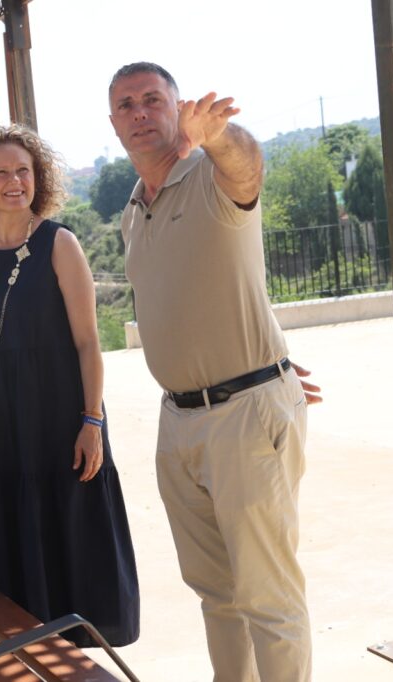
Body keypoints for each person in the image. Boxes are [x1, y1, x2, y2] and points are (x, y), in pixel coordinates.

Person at [108, 62, 321, 681]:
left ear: (178, 109)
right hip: (178, 422)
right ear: (114, 122)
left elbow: (248, 166)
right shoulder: (131, 210)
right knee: (217, 597)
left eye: (153, 99)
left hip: (244, 418)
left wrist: (219, 135)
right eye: (126, 105)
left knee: (268, 600)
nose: (140, 112)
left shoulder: (210, 171)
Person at [0, 125, 140, 648]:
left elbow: (87, 344)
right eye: (2, 173)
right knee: (4, 549)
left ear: (39, 179)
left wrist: (92, 420)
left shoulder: (59, 242)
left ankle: (68, 658)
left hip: (57, 422)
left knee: (61, 541)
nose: (14, 181)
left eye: (23, 171)